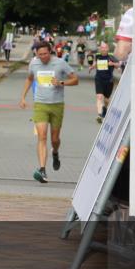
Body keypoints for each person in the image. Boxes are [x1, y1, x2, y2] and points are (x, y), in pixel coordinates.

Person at [19, 41, 79, 183]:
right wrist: (22, 97)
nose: (43, 57)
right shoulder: (34, 64)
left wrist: (61, 83)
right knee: (42, 137)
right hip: (40, 105)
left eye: (45, 54)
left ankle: (55, 152)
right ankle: (42, 169)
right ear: (36, 54)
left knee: (54, 140)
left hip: (57, 105)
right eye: (40, 55)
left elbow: (75, 80)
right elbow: (29, 78)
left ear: (50, 51)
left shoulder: (60, 63)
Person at [88, 41, 119, 123]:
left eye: (105, 47)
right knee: (99, 97)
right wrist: (91, 67)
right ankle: (99, 115)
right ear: (100, 49)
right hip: (99, 79)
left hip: (109, 81)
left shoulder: (111, 57)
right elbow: (95, 63)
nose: (104, 49)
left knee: (106, 99)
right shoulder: (97, 56)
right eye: (102, 48)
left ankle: (104, 109)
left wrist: (112, 64)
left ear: (108, 49)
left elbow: (118, 65)